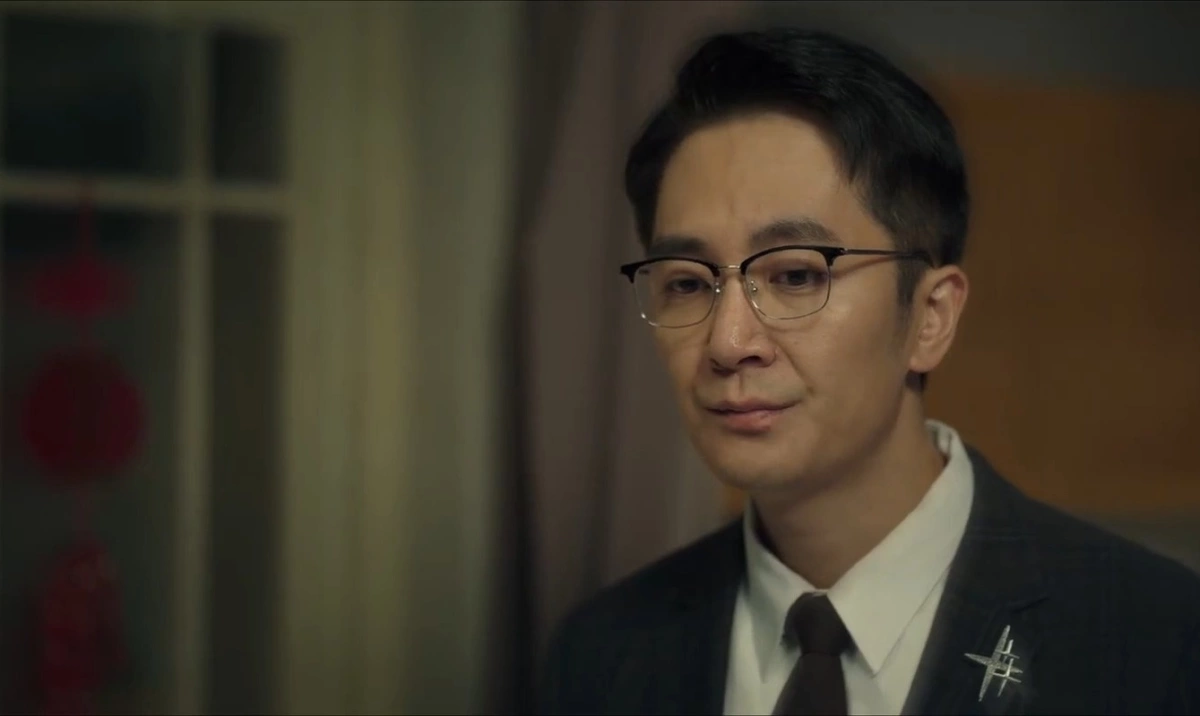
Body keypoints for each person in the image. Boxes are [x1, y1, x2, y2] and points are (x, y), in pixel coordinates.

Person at [537, 27, 1200, 716]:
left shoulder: (1152, 640)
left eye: (796, 275)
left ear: (930, 318)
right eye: (686, 282)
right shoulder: (601, 656)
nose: (728, 342)